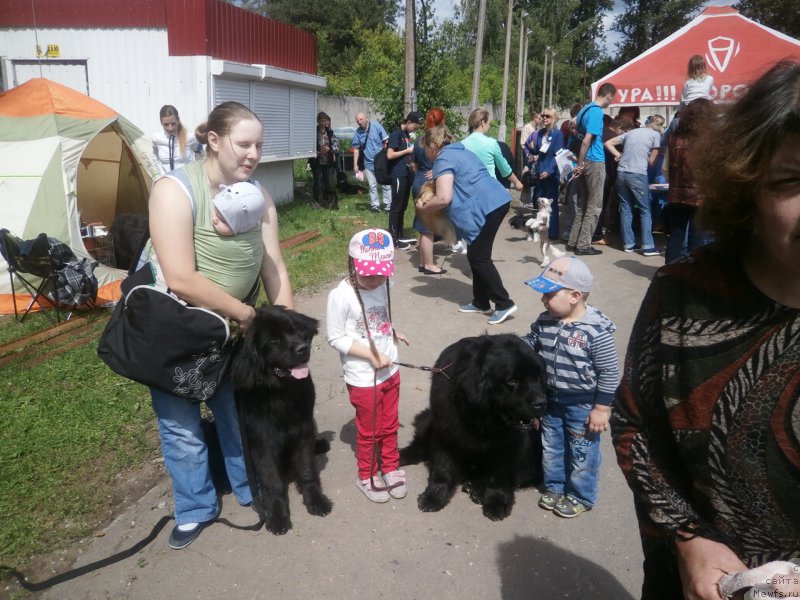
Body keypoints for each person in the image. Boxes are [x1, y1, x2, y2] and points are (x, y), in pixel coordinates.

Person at [611, 60, 800, 600]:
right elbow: (636, 423)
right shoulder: (683, 296)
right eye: (791, 180)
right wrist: (687, 535)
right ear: (748, 187)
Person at [143, 101, 294, 550]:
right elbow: (180, 277)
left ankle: (249, 487)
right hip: (176, 330)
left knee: (235, 412)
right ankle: (195, 507)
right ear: (213, 140)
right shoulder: (174, 191)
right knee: (180, 425)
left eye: (259, 146)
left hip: (232, 335)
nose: (253, 154)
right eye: (243, 144)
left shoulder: (259, 195)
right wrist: (248, 317)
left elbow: (274, 268)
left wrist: (284, 332)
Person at [521, 256, 619, 518]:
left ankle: (580, 495)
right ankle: (555, 486)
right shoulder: (545, 320)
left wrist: (601, 409)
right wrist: (508, 346)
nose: (543, 300)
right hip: (551, 399)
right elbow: (530, 342)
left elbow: (609, 372)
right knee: (552, 445)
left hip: (582, 403)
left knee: (581, 451)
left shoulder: (596, 332)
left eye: (549, 294)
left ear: (575, 296)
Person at [326, 228, 410, 503]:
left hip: (391, 368)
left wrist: (392, 331)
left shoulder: (385, 284)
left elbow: (378, 318)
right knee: (370, 430)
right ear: (352, 264)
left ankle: (390, 467)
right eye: (368, 274)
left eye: (380, 274)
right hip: (363, 376)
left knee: (390, 424)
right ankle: (368, 474)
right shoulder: (341, 296)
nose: (375, 280)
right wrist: (370, 354)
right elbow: (336, 337)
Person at [416, 125, 518, 325]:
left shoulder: (443, 159)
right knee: (475, 252)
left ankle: (504, 303)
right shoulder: (461, 152)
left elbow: (444, 197)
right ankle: (481, 301)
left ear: (432, 146)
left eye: (425, 147)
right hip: (495, 201)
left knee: (479, 257)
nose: (425, 152)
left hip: (489, 206)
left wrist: (424, 207)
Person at [604, 114, 665, 256]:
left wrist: (618, 155)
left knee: (625, 208)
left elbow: (608, 143)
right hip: (637, 174)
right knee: (645, 210)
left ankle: (628, 244)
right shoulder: (656, 135)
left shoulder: (632, 132)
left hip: (621, 173)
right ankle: (648, 246)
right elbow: (652, 161)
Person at [567, 83, 617, 256]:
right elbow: (587, 140)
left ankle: (573, 241)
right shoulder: (596, 112)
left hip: (584, 161)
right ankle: (583, 245)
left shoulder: (584, 110)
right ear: (609, 95)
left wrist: (579, 164)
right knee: (594, 206)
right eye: (612, 98)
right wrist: (580, 164)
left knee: (583, 205)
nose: (611, 102)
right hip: (594, 161)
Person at [664, 99, 716, 263]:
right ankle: (693, 271)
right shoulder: (710, 139)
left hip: (676, 195)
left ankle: (670, 270)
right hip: (700, 196)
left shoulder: (674, 138)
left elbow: (665, 168)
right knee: (697, 237)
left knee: (676, 235)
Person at [411, 107, 448, 274]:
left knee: (423, 223)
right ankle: (429, 265)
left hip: (418, 181)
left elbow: (414, 165)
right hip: (430, 184)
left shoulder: (420, 139)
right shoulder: (440, 139)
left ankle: (422, 263)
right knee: (428, 228)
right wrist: (434, 171)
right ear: (442, 120)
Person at [461, 108, 524, 192]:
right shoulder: (491, 143)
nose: (489, 126)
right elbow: (504, 169)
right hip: (488, 190)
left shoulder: (462, 144)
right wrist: (516, 182)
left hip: (469, 189)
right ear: (482, 122)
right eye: (488, 123)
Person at [387, 112, 422, 249]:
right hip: (398, 174)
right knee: (396, 207)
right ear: (408, 122)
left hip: (407, 174)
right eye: (414, 127)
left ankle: (400, 234)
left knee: (403, 206)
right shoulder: (396, 134)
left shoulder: (406, 135)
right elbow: (390, 155)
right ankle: (393, 237)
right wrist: (407, 151)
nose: (415, 130)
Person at [531, 108, 564, 240]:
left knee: (551, 203)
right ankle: (541, 229)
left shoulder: (557, 134)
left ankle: (553, 232)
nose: (544, 118)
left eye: (548, 116)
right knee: (540, 202)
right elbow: (538, 151)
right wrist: (532, 149)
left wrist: (549, 171)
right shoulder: (539, 133)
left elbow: (558, 155)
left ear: (554, 118)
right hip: (540, 171)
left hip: (551, 173)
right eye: (543, 115)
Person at [351, 112, 391, 213]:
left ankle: (388, 206)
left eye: (361, 119)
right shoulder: (357, 133)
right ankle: (375, 206)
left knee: (386, 184)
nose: (359, 122)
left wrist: (386, 156)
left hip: (381, 162)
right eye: (357, 121)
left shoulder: (376, 126)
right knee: (372, 186)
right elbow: (356, 149)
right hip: (368, 163)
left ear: (366, 118)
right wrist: (355, 164)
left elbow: (386, 140)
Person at [152, 105, 201, 176]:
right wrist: (160, 173)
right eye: (166, 124)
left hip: (187, 179)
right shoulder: (156, 138)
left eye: (173, 123)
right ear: (161, 122)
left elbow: (200, 153)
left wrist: (197, 172)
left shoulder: (190, 137)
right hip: (166, 179)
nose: (170, 128)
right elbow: (155, 156)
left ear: (178, 120)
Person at [309, 111, 340, 210]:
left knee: (328, 181)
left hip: (328, 161)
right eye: (321, 121)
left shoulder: (330, 132)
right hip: (316, 161)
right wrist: (317, 152)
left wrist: (329, 149)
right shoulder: (314, 132)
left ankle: (328, 200)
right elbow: (309, 146)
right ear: (318, 121)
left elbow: (336, 146)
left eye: (325, 121)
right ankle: (317, 201)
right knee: (317, 181)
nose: (323, 123)